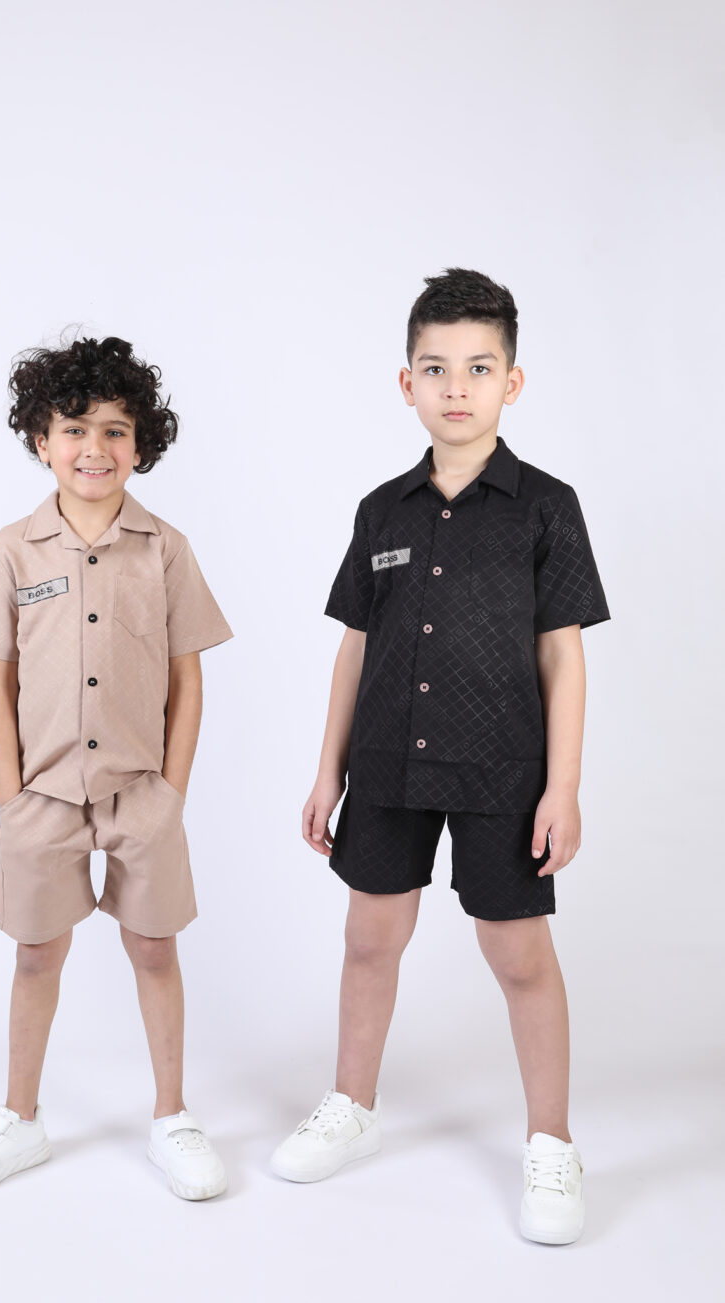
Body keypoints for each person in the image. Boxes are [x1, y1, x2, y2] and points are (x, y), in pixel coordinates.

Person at [271, 269, 610, 1245]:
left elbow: (563, 654)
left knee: (519, 956)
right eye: (435, 368)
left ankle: (551, 1142)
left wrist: (564, 786)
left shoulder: (546, 507)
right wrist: (329, 770)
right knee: (369, 939)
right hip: (386, 763)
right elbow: (356, 647)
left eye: (478, 367)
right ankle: (352, 1106)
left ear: (513, 381)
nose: (456, 387)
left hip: (504, 770)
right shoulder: (381, 510)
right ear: (406, 383)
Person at [0, 336, 232, 1200]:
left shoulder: (165, 548)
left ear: (140, 444)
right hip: (43, 796)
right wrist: (11, 800)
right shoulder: (11, 551)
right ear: (42, 440)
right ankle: (19, 1118)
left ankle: (172, 1116)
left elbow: (188, 677)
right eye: (73, 428)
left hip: (142, 793)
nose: (93, 448)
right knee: (36, 955)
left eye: (114, 430)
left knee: (154, 948)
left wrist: (172, 793)